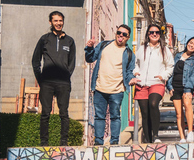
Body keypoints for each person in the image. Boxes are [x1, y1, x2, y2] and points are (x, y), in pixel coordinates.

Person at [85, 24, 135, 145]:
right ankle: (98, 142)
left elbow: (129, 72)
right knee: (99, 117)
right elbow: (90, 58)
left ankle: (114, 142)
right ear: (116, 33)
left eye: (124, 34)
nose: (120, 36)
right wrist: (89, 48)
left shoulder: (129, 54)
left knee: (115, 117)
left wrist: (131, 79)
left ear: (128, 37)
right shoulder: (104, 45)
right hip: (99, 88)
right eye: (119, 33)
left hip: (117, 91)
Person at [32, 11, 76, 146]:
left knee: (64, 114)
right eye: (56, 21)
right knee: (45, 113)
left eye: (60, 20)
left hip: (63, 83)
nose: (58, 23)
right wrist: (41, 79)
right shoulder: (44, 39)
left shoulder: (69, 41)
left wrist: (66, 76)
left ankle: (63, 142)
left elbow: (72, 63)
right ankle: (44, 142)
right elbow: (35, 61)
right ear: (50, 22)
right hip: (47, 83)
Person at [130, 24, 174, 143]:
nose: (154, 34)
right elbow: (136, 64)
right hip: (142, 83)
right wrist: (136, 73)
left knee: (153, 104)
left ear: (160, 35)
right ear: (148, 35)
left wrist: (163, 76)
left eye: (157, 32)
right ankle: (148, 141)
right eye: (151, 32)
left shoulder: (164, 50)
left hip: (156, 83)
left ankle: (156, 136)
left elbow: (170, 66)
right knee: (144, 113)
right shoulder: (142, 48)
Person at [168, 36, 194, 143]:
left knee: (188, 106)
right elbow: (171, 70)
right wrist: (169, 87)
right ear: (187, 42)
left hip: (186, 86)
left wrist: (188, 88)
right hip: (175, 86)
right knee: (178, 114)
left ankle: (190, 132)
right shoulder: (178, 55)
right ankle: (182, 137)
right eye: (191, 43)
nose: (192, 45)